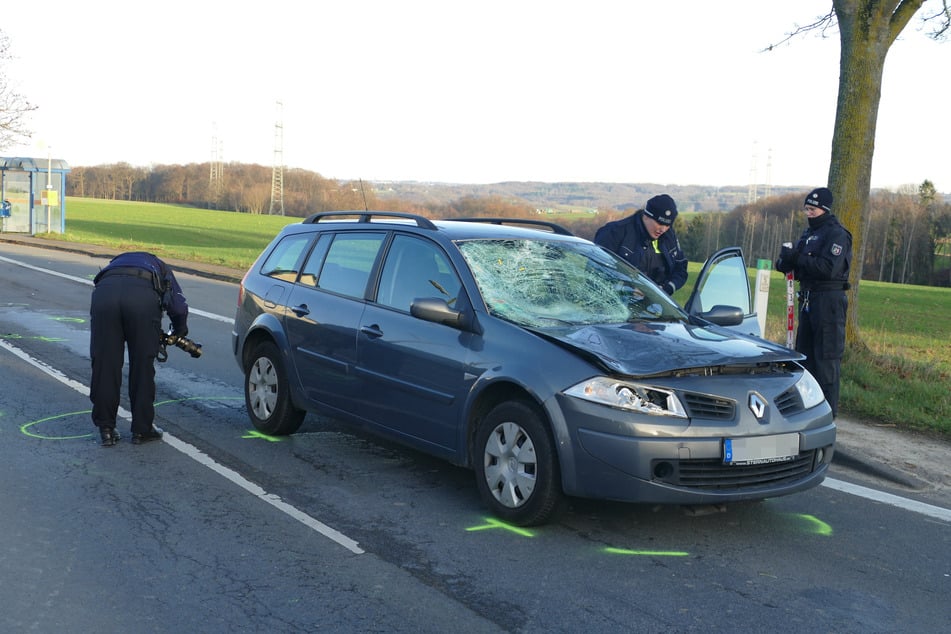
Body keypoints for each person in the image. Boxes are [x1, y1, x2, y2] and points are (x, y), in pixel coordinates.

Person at [89, 252, 189, 447]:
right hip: (142, 300)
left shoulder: (113, 265)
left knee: (105, 364)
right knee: (142, 365)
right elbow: (178, 307)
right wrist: (179, 330)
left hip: (104, 296)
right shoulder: (161, 266)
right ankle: (142, 430)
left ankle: (106, 429)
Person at [775, 187, 852, 418]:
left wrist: (798, 259)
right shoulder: (808, 235)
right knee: (805, 356)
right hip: (808, 299)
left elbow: (829, 268)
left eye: (813, 209)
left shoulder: (837, 235)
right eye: (806, 209)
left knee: (826, 359)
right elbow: (798, 266)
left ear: (825, 209)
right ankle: (807, 411)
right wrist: (784, 263)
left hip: (829, 301)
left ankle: (827, 415)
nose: (808, 213)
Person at [594, 193, 688, 295]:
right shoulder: (614, 233)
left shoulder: (669, 236)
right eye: (659, 223)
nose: (663, 229)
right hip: (615, 305)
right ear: (646, 216)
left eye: (667, 225)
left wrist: (667, 288)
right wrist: (628, 290)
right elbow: (595, 273)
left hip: (656, 306)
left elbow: (681, 269)